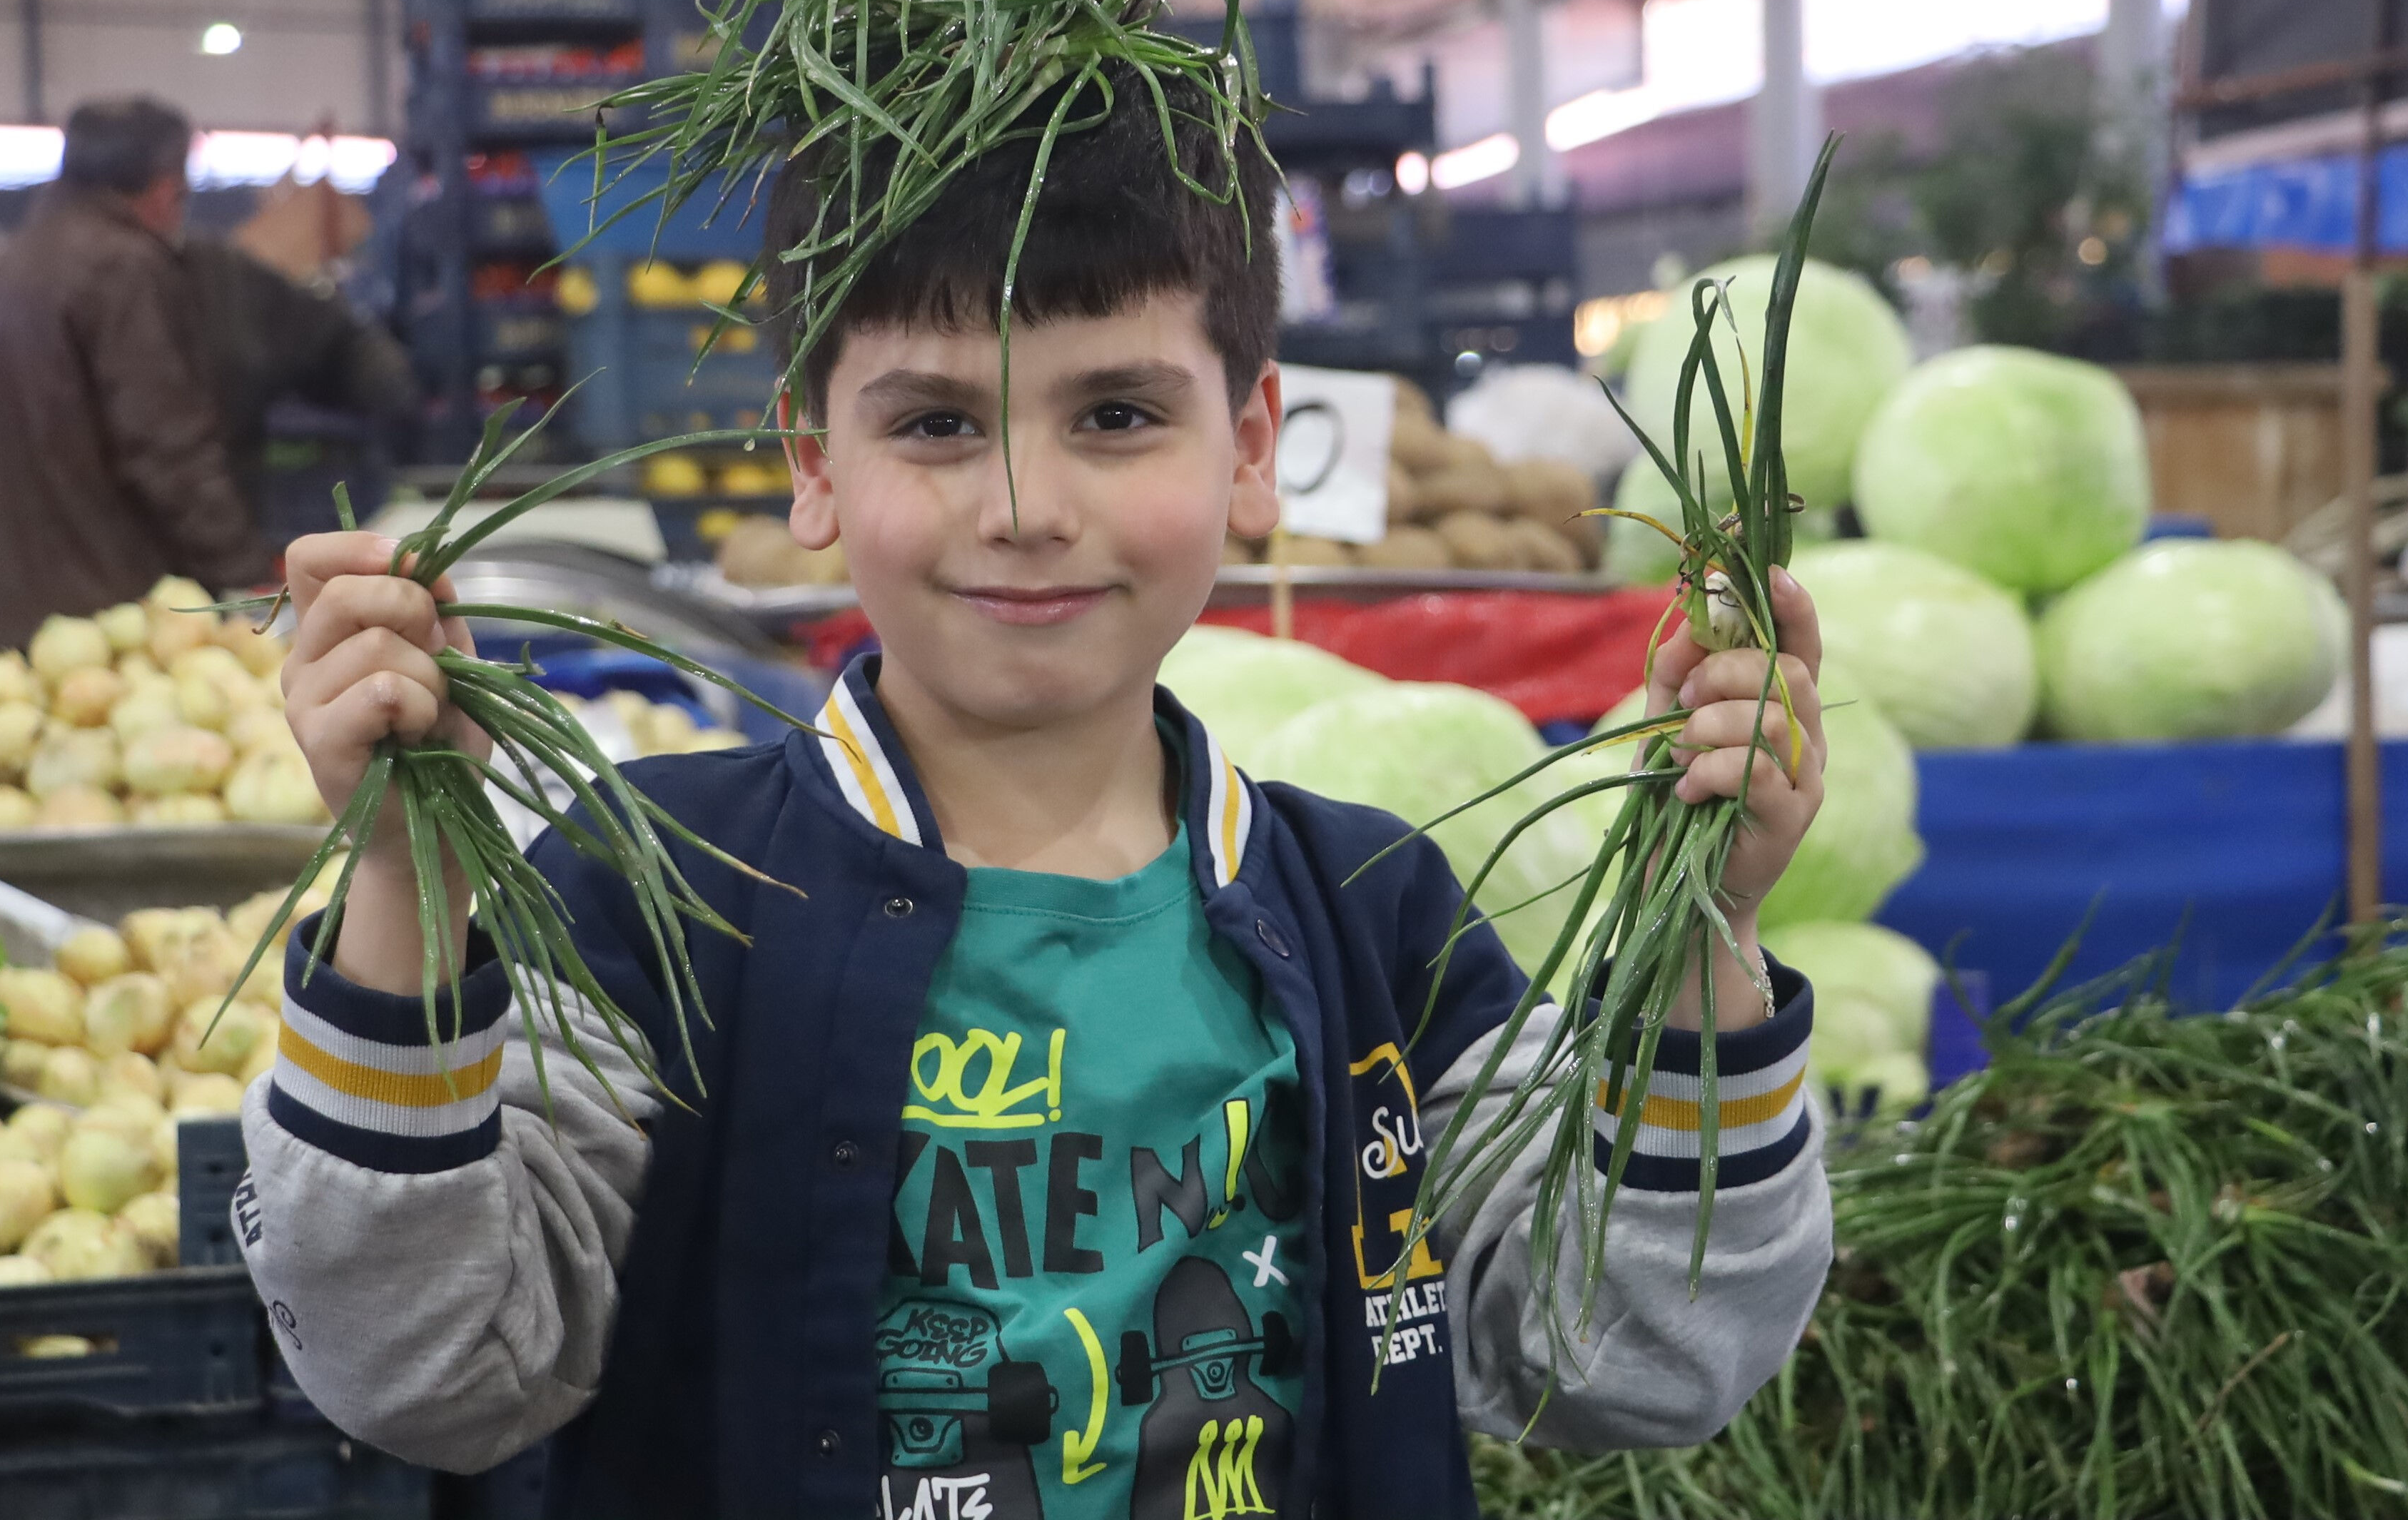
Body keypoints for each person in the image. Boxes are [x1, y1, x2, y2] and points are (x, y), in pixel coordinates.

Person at [236, 77, 1835, 1518]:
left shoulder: (1378, 920)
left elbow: (1634, 1355)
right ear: (810, 459)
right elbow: (429, 1375)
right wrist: (404, 885)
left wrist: (1707, 925)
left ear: (1253, 444)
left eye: (1118, 416)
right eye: (935, 422)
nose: (1024, 507)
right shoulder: (655, 893)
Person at [0, 97, 273, 661]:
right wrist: (247, 579)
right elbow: (167, 447)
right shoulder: (122, 268)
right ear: (163, 186)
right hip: (99, 639)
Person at [175, 235, 417, 539]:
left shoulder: (217, 272)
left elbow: (338, 338)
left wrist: (391, 393)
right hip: (186, 541)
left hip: (234, 515)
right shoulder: (136, 276)